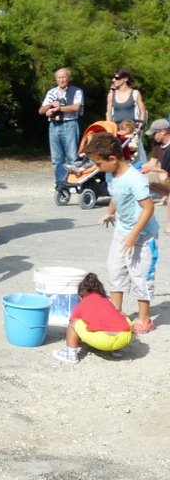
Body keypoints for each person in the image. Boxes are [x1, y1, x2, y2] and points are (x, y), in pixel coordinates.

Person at [83, 131, 158, 335]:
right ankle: (116, 312)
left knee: (140, 274)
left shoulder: (135, 180)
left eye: (98, 163)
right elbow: (116, 195)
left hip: (142, 236)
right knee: (115, 269)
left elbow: (148, 208)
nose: (97, 168)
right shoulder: (111, 173)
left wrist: (134, 235)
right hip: (122, 231)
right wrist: (109, 212)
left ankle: (144, 317)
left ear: (113, 158)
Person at [53, 273, 132, 364]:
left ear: (80, 297)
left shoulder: (81, 304)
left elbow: (74, 327)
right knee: (120, 315)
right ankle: (117, 349)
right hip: (123, 339)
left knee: (74, 323)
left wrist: (77, 340)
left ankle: (70, 354)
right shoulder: (107, 302)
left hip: (102, 341)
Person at [38, 67, 83, 187]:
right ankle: (60, 183)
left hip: (69, 124)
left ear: (68, 78)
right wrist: (51, 105)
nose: (62, 80)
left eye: (64, 77)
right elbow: (41, 110)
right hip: (54, 126)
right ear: (56, 79)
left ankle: (75, 182)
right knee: (57, 158)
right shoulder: (51, 92)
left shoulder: (76, 91)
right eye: (59, 78)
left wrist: (59, 109)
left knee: (72, 156)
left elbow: (76, 107)